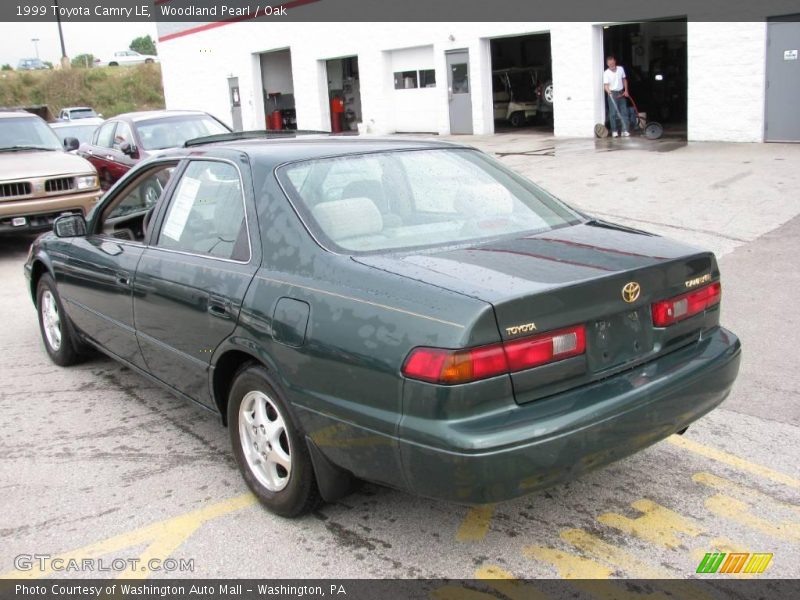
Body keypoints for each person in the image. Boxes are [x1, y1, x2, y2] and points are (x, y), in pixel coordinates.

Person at [603, 55, 630, 137]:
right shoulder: (606, 73)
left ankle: (624, 130)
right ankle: (614, 131)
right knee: (613, 113)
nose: (611, 64)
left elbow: (624, 80)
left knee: (624, 112)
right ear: (607, 64)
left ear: (615, 61)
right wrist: (609, 92)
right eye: (609, 63)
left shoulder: (620, 69)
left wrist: (626, 91)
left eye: (612, 62)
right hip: (612, 93)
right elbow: (606, 85)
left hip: (621, 92)